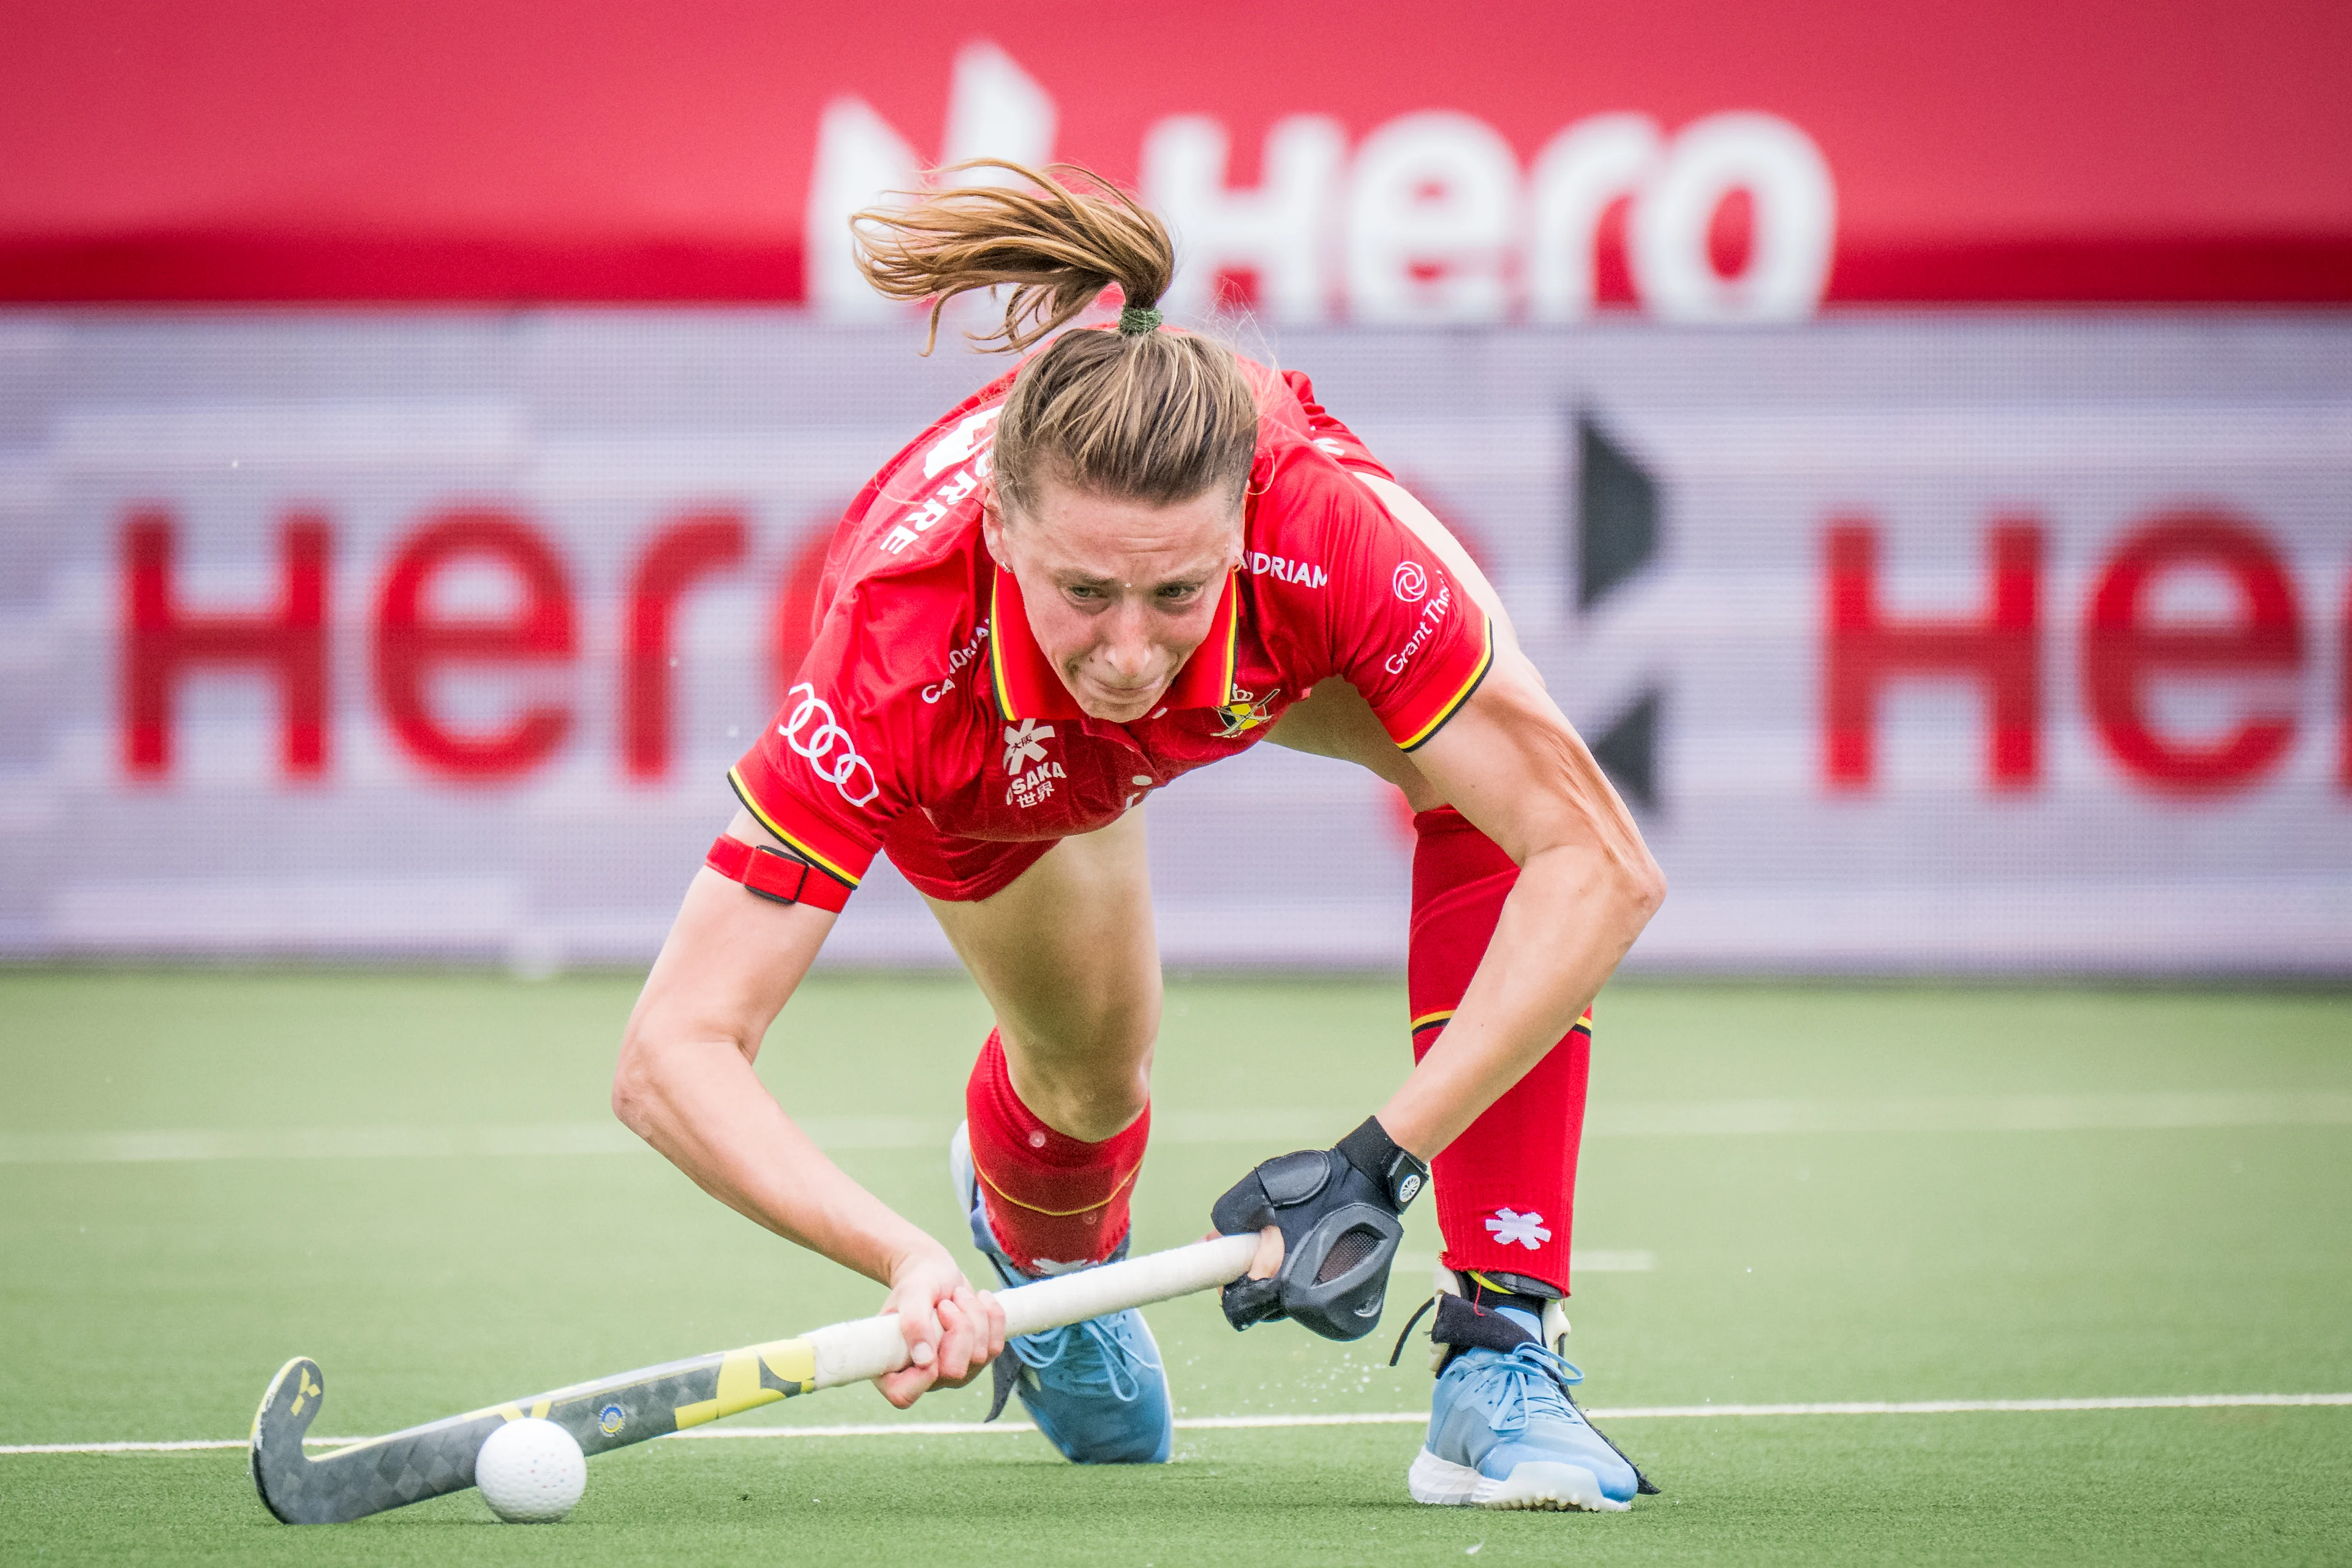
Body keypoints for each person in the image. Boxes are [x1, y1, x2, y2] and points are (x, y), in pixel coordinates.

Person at [612, 162, 1666, 1512]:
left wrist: (1373, 1161)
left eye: (1175, 588)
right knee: (1090, 1078)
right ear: (1002, 532)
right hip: (1002, 748)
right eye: (1084, 588)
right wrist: (901, 1256)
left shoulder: (1313, 533)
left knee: (1525, 823)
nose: (1128, 651)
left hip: (1280, 638)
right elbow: (671, 1054)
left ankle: (1504, 1349)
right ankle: (1045, 1257)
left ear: (1238, 527)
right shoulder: (894, 664)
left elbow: (1604, 868)